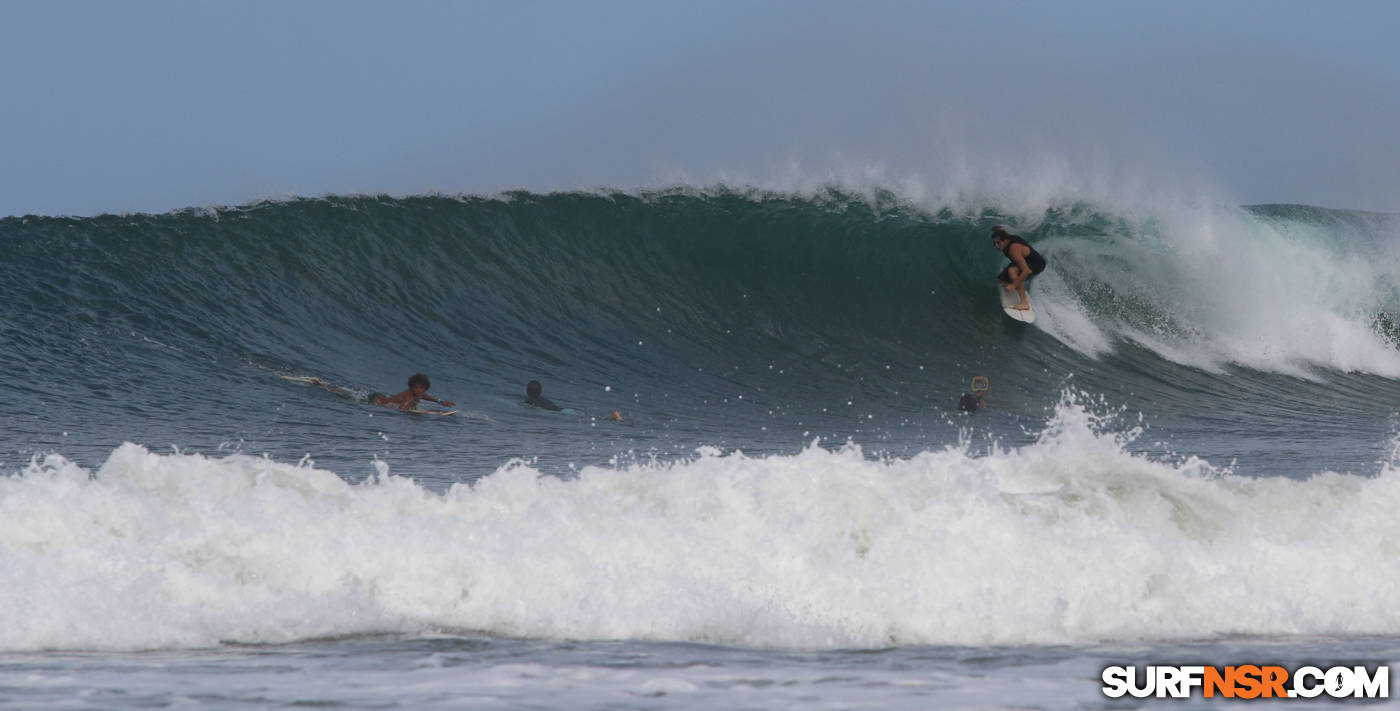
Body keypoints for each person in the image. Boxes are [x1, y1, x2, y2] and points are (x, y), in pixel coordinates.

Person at [991, 225, 1047, 311]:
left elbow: (1026, 271)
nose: (996, 246)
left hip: (1037, 265)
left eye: (998, 243)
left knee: (1012, 271)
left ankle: (1024, 303)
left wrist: (1013, 286)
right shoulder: (1006, 237)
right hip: (1025, 261)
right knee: (1001, 279)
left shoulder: (1013, 249)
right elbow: (1003, 233)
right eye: (994, 243)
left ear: (1004, 240)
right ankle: (1016, 284)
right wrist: (997, 229)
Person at [524, 380, 623, 421]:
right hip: (564, 410)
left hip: (564, 413)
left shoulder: (530, 399)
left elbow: (534, 407)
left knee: (590, 419)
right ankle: (612, 417)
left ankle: (613, 417)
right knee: (590, 417)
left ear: (528, 390)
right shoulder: (543, 398)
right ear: (540, 390)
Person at [374, 373, 455, 411]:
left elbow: (428, 397)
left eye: (421, 388)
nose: (419, 390)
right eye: (416, 387)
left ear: (425, 388)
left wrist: (441, 402)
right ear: (412, 388)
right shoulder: (409, 396)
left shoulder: (421, 394)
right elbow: (401, 410)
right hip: (381, 402)